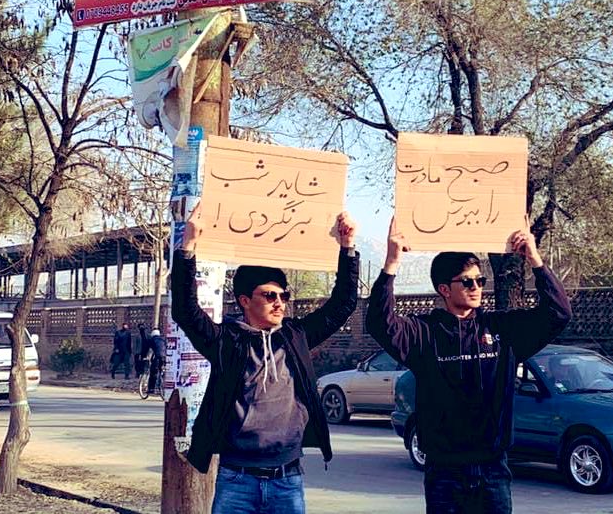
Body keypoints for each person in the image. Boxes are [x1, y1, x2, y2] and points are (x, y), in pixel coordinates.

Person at [366, 218, 572, 514]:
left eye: (480, 280)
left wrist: (534, 259)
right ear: (444, 289)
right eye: (467, 281)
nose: (476, 287)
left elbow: (558, 313)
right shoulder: (424, 334)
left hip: (493, 470)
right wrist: (391, 262)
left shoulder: (502, 329)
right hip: (444, 472)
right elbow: (379, 323)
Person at [173, 205, 359, 514]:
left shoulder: (295, 337)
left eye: (283, 296)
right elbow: (185, 311)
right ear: (245, 300)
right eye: (269, 296)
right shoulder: (226, 342)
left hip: (288, 479)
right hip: (236, 480)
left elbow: (343, 303)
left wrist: (348, 247)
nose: (279, 303)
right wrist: (189, 245)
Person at [147, 327, 166, 393]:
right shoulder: (163, 339)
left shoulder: (152, 340)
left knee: (153, 372)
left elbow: (149, 349)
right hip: (164, 357)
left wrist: (147, 357)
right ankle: (160, 387)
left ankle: (151, 389)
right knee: (161, 371)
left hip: (157, 357)